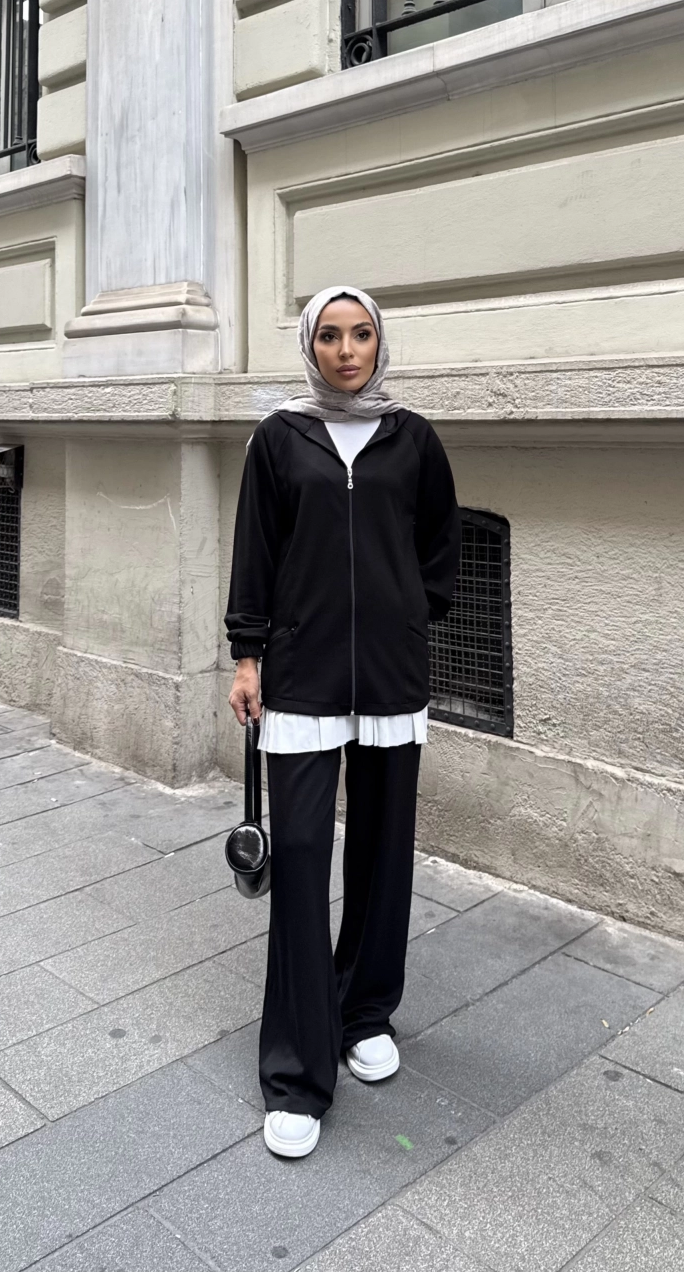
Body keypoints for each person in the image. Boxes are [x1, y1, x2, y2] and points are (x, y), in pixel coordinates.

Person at [225, 285, 461, 1159]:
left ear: (379, 344)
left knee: (383, 850)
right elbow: (256, 549)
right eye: (330, 335)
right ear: (310, 346)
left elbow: (440, 545)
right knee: (298, 859)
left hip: (391, 674)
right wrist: (247, 654)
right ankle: (296, 1070)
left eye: (362, 334)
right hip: (302, 672)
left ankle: (365, 1012)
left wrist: (406, 614)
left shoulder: (413, 437)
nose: (348, 349)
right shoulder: (280, 438)